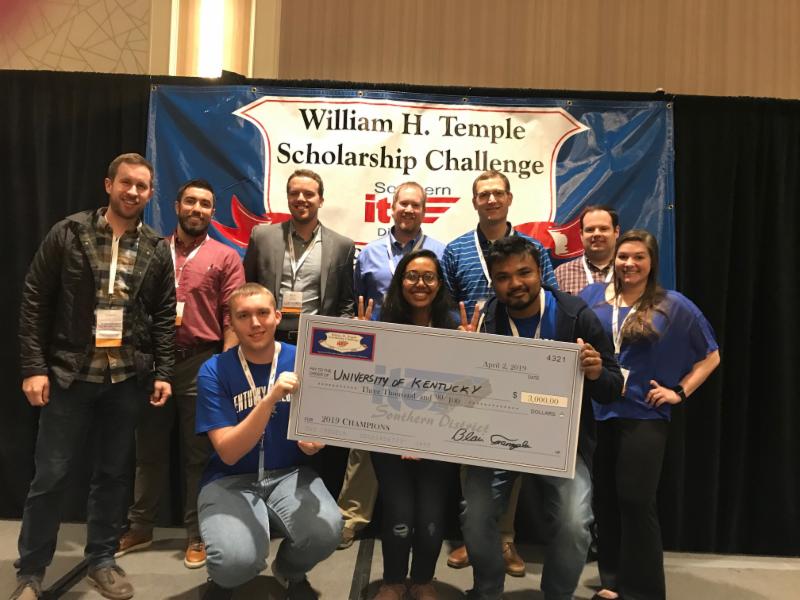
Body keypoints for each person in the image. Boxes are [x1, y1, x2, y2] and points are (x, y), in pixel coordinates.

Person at [13, 153, 175, 600]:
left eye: (142, 186)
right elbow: (35, 300)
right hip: (70, 375)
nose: (133, 192)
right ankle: (31, 571)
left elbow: (164, 315)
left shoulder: (156, 247)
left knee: (113, 475)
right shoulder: (69, 233)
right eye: (126, 183)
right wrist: (33, 367)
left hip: (125, 380)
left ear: (150, 193)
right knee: (51, 476)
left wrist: (163, 371)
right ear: (109, 185)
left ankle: (102, 559)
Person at [460, 236, 623, 600]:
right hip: (497, 438)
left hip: (559, 443)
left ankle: (557, 595)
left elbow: (613, 387)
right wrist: (463, 354)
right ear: (493, 281)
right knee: (475, 515)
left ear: (540, 272)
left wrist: (596, 372)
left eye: (524, 273)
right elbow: (466, 393)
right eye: (503, 277)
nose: (515, 283)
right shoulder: (485, 319)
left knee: (575, 523)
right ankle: (487, 591)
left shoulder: (575, 315)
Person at [579, 230, 720, 600]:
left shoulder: (672, 305)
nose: (629, 263)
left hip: (643, 414)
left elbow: (711, 355)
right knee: (605, 501)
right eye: (623, 256)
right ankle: (612, 583)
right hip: (597, 413)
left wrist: (679, 392)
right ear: (614, 259)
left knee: (635, 500)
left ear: (651, 262)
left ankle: (643, 592)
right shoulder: (591, 297)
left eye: (638, 257)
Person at [117, 179, 245, 569]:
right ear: (176, 206)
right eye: (190, 201)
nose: (197, 209)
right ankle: (140, 526)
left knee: (198, 456)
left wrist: (224, 368)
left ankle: (197, 533)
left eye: (205, 204)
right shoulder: (154, 250)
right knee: (148, 450)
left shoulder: (226, 257)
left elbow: (232, 317)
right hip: (153, 362)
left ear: (212, 212)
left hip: (200, 362)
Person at [442, 170, 558, 575]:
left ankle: (504, 539)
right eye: (483, 194)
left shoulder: (532, 248)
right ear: (474, 201)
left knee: (510, 449)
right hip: (471, 362)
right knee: (470, 448)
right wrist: (460, 331)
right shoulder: (456, 249)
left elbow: (551, 294)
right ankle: (473, 537)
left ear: (509, 199)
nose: (490, 200)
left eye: (497, 193)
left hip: (520, 359)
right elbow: (445, 303)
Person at [195, 283, 341, 600]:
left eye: (263, 313)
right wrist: (270, 399)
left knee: (327, 530)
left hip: (290, 473)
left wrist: (315, 441)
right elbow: (229, 452)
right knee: (235, 561)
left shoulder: (304, 360)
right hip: (230, 478)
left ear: (277, 316)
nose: (255, 323)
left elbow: (318, 425)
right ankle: (225, 578)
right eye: (243, 316)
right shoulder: (214, 370)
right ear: (231, 323)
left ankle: (289, 571)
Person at [338, 182, 446, 549]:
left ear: (424, 211)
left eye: (416, 205)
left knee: (429, 433)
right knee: (366, 436)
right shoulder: (369, 252)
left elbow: (445, 299)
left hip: (428, 354)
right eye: (403, 204)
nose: (409, 210)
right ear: (391, 207)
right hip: (380, 354)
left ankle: (425, 519)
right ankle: (352, 517)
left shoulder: (440, 251)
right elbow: (357, 300)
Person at [367, 249, 459, 600]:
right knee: (399, 513)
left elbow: (463, 392)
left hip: (440, 439)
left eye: (428, 277)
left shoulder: (455, 325)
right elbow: (369, 386)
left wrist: (472, 349)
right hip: (390, 437)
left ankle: (422, 580)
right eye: (412, 276)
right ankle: (392, 580)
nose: (420, 284)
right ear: (400, 281)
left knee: (431, 518)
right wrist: (359, 340)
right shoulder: (381, 323)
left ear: (439, 283)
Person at [243, 168, 355, 343]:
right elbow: (247, 288)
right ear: (288, 198)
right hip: (268, 337)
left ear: (321, 201)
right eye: (294, 193)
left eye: (309, 194)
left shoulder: (342, 246)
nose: (301, 199)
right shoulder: (262, 237)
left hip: (317, 340)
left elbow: (345, 302)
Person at [555, 205, 620, 295]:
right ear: (581, 234)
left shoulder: (629, 270)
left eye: (603, 229)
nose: (596, 234)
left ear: (616, 232)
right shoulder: (561, 273)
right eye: (590, 230)